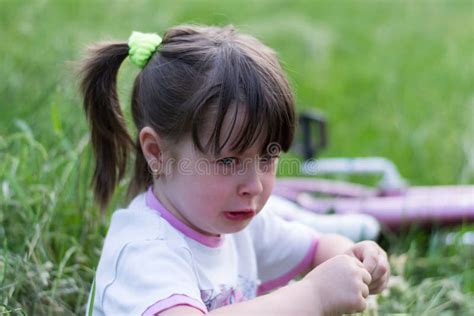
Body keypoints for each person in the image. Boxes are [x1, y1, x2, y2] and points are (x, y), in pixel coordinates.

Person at [79, 25, 390, 316]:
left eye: (268, 157)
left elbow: (314, 248)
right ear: (157, 153)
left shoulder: (241, 224)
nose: (253, 186)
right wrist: (315, 294)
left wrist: (352, 259)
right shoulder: (145, 250)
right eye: (229, 161)